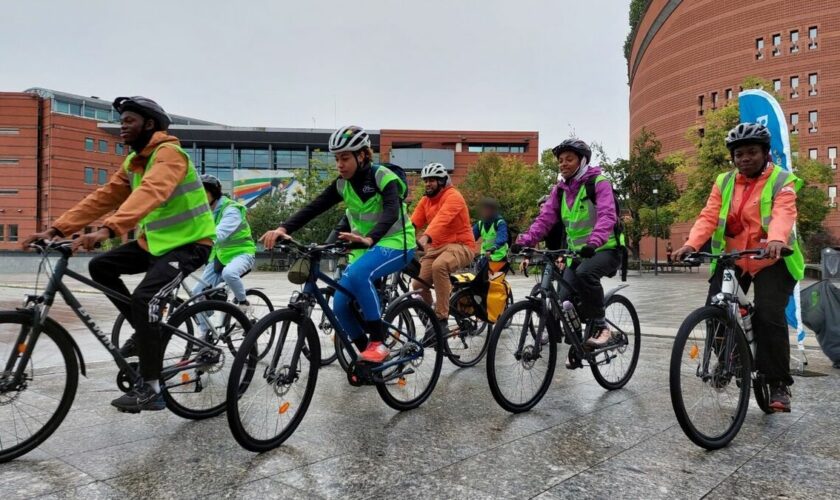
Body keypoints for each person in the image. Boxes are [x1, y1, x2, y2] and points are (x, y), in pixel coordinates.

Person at [22, 96, 216, 412]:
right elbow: (102, 198)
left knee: (145, 298)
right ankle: (143, 332)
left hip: (190, 244)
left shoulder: (170, 155)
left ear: (149, 124)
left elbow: (152, 192)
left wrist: (107, 230)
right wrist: (57, 229)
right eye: (121, 120)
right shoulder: (133, 163)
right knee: (101, 267)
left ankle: (152, 390)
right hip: (153, 244)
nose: (122, 126)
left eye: (129, 121)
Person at [673, 122, 804, 413]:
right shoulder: (724, 182)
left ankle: (778, 382)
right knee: (715, 311)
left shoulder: (783, 180)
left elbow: (784, 213)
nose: (745, 158)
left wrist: (776, 240)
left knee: (769, 315)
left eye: (752, 152)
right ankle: (729, 359)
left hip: (773, 258)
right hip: (734, 258)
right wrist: (692, 244)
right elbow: (708, 216)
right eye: (739, 154)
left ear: (765, 153)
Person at [260, 125, 415, 363]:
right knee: (341, 305)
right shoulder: (342, 184)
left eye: (345, 158)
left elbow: (392, 211)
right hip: (362, 246)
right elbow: (314, 207)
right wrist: (283, 228)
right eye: (337, 159)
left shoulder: (383, 176)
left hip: (396, 243)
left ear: (362, 155)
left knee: (359, 273)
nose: (339, 164)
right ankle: (368, 357)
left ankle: (377, 342)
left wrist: (370, 238)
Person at [517, 138, 622, 351]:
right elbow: (545, 219)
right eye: (561, 161)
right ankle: (578, 347)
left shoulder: (598, 183)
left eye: (569, 159)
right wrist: (525, 241)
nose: (563, 164)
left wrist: (594, 242)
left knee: (585, 274)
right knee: (564, 301)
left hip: (606, 249)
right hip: (578, 253)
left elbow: (607, 215)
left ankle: (602, 328)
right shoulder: (560, 190)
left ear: (582, 161)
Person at [410, 163, 477, 328]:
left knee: (439, 266)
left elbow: (442, 219)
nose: (427, 184)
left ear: (442, 181)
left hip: (460, 245)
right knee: (418, 284)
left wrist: (425, 237)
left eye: (432, 180)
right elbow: (412, 224)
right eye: (425, 180)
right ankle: (430, 316)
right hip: (436, 248)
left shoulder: (453, 196)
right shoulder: (426, 201)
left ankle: (441, 319)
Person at [192, 174, 256, 319]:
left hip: (242, 253)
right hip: (219, 256)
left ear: (214, 193)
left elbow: (219, 233)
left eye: (203, 193)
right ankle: (205, 333)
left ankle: (243, 302)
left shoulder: (231, 209)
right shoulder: (204, 212)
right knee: (197, 295)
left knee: (229, 274)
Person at [473, 197, 509, 273]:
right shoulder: (480, 224)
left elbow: (502, 237)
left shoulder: (499, 223)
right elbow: (471, 237)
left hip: (499, 258)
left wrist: (494, 248)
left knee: (496, 282)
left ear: (493, 210)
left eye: (487, 209)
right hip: (485, 257)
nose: (484, 211)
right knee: (482, 281)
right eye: (483, 209)